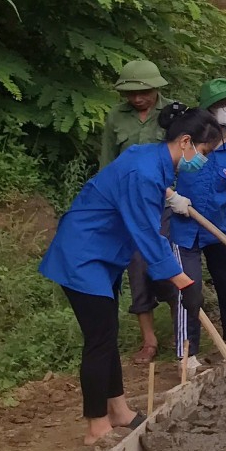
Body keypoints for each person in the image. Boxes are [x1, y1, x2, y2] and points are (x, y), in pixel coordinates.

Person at [40, 105, 213, 444]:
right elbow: (147, 234)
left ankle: (118, 409)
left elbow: (145, 211)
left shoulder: (152, 160)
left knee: (108, 333)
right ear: (186, 141)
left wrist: (179, 279)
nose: (203, 160)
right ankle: (96, 426)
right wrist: (182, 281)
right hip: (84, 254)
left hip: (103, 255)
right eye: (204, 152)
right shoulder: (144, 171)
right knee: (99, 340)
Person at [161, 80, 226, 374]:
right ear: (206, 111)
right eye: (220, 105)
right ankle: (187, 355)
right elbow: (157, 171)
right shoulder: (185, 140)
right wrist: (171, 196)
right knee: (188, 289)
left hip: (221, 225)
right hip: (184, 225)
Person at [100, 59, 171, 367]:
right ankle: (149, 339)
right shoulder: (116, 117)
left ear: (156, 89)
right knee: (137, 269)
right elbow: (107, 162)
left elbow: (186, 152)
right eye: (131, 94)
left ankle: (186, 329)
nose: (137, 99)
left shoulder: (172, 114)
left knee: (168, 264)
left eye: (143, 93)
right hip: (129, 207)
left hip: (166, 204)